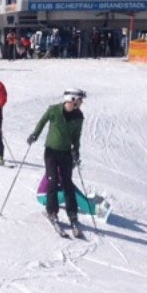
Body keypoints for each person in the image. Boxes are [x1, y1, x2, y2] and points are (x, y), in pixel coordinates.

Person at [27, 89, 86, 235]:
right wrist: (34, 135)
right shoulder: (54, 110)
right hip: (51, 152)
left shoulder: (79, 116)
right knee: (52, 182)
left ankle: (72, 214)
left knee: (67, 183)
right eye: (79, 100)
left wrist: (76, 150)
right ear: (71, 99)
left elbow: (76, 136)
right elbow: (42, 122)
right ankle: (52, 212)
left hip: (66, 153)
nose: (81, 103)